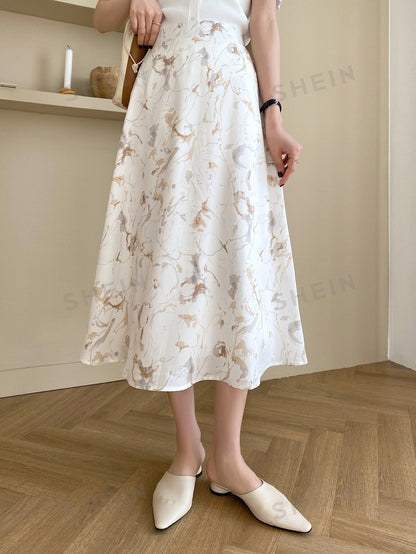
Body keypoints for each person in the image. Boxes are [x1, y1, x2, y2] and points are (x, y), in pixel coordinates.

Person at [81, 0, 311, 533]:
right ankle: (189, 449)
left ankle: (229, 459)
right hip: (164, 94)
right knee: (168, 264)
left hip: (233, 93)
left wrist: (273, 116)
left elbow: (264, 21)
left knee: (237, 264)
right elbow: (102, 18)